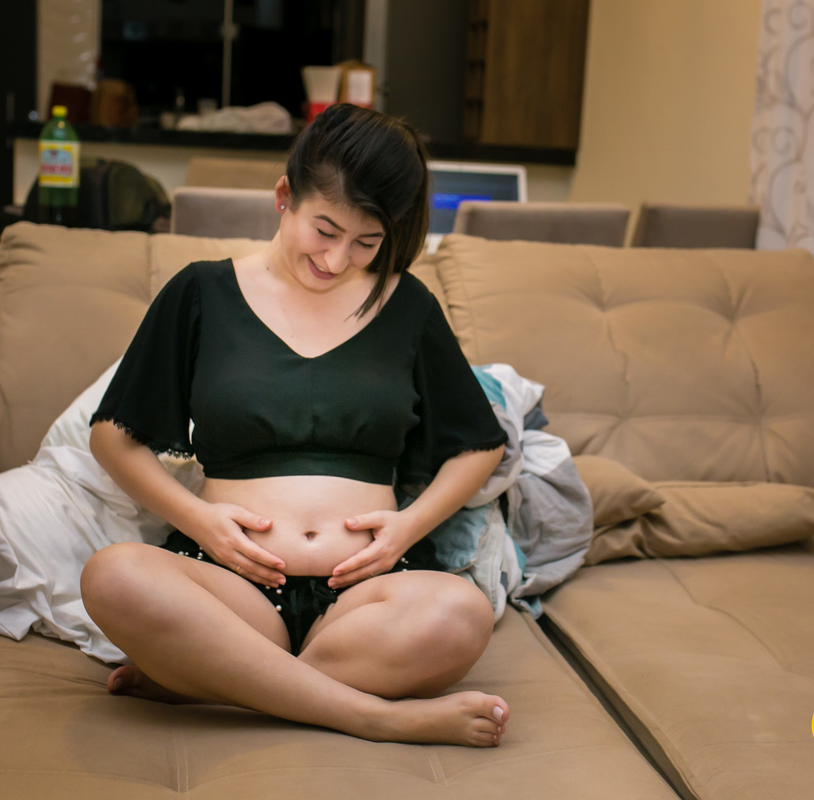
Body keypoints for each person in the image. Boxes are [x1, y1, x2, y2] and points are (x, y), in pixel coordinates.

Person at [81, 103, 510, 747]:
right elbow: (112, 437)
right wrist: (201, 522)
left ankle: (217, 680)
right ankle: (376, 717)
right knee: (112, 575)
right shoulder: (201, 293)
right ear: (285, 197)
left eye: (367, 243)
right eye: (325, 230)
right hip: (232, 586)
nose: (337, 260)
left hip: (366, 593)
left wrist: (407, 528)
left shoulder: (408, 306)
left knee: (463, 613)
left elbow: (479, 446)